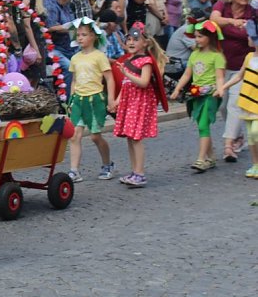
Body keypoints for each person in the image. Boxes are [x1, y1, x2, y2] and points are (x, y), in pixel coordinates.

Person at [113, 23, 168, 187]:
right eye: (129, 39)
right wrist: (117, 101)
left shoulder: (146, 61)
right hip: (129, 102)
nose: (131, 42)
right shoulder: (127, 60)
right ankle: (134, 171)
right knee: (130, 138)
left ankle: (140, 173)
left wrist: (126, 73)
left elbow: (144, 82)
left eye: (135, 39)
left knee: (136, 138)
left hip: (140, 103)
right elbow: (125, 84)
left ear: (145, 43)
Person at [170, 21, 226, 172]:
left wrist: (220, 89)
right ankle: (211, 157)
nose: (197, 39)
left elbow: (220, 77)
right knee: (203, 125)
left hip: (211, 95)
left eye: (200, 36)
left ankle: (201, 159)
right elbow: (187, 74)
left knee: (203, 125)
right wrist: (177, 89)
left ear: (210, 37)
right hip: (196, 94)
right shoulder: (194, 55)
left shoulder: (217, 56)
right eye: (195, 36)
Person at [66, 19, 117, 183]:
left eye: (84, 35)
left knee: (95, 136)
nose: (80, 38)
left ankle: (107, 164)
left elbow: (109, 79)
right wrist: (71, 99)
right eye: (78, 35)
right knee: (75, 135)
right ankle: (74, 170)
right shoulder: (75, 58)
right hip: (79, 100)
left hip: (95, 100)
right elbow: (74, 80)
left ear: (93, 36)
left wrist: (111, 99)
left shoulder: (100, 56)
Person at [211, 0, 256, 161]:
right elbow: (213, 20)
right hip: (221, 66)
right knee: (222, 106)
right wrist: (232, 21)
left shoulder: (252, 13)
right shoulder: (223, 6)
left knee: (234, 105)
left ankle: (228, 146)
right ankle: (237, 135)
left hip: (242, 66)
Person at [219, 22, 258, 179]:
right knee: (251, 137)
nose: (247, 38)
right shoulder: (249, 57)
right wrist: (223, 87)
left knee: (256, 132)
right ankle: (255, 164)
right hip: (247, 103)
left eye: (250, 36)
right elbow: (238, 76)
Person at [43, 0, 79, 93]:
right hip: (52, 48)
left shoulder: (66, 5)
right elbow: (50, 27)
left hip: (69, 46)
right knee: (69, 67)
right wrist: (68, 27)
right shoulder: (50, 5)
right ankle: (68, 98)